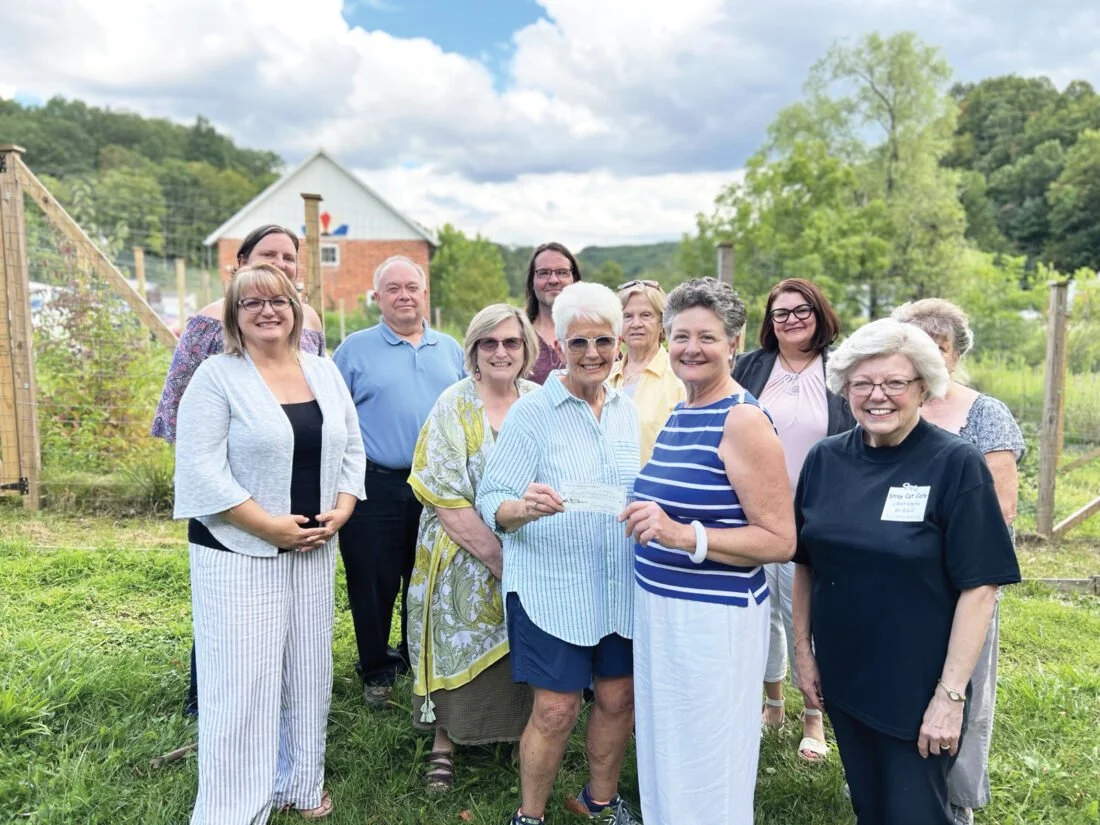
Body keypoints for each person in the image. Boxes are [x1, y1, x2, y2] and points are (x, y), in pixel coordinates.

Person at [792, 319, 1021, 825]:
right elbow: (806, 562)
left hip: (918, 685)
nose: (878, 396)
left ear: (924, 388)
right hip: (846, 675)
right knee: (870, 807)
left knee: (916, 812)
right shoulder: (825, 459)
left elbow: (981, 586)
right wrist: (803, 653)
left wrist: (950, 696)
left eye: (895, 383)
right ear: (845, 388)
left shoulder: (955, 464)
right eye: (862, 383)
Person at [173, 263, 366, 823]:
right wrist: (268, 526)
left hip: (312, 546)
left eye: (278, 300)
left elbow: (352, 447)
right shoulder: (216, 377)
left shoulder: (323, 371)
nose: (267, 311)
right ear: (234, 314)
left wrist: (343, 510)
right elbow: (201, 472)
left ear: (296, 308)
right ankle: (234, 807)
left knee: (308, 671)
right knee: (243, 684)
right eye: (251, 302)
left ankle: (299, 785)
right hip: (239, 550)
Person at [623, 277, 796, 825]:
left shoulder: (741, 419)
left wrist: (683, 536)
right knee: (668, 750)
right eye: (680, 336)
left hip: (712, 622)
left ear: (734, 343)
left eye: (707, 337)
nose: (691, 348)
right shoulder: (682, 410)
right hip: (663, 612)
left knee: (707, 758)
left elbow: (779, 539)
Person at [477, 282, 642, 825]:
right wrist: (523, 508)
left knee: (618, 700)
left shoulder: (624, 410)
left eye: (602, 341)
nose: (592, 353)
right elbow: (491, 498)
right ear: (560, 346)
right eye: (578, 343)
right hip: (553, 585)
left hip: (617, 583)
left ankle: (600, 799)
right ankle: (531, 815)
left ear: (619, 343)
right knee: (556, 708)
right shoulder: (534, 412)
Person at [151, 224, 326, 717]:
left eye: (289, 257)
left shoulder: (308, 321)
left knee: (286, 606)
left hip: (295, 483)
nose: (281, 264)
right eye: (268, 255)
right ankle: (205, 697)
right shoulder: (208, 322)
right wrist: (214, 483)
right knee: (226, 601)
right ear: (240, 262)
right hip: (232, 488)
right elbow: (177, 409)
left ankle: (282, 697)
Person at [892, 298, 1026, 825]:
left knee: (961, 689)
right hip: (895, 581)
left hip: (959, 583)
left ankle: (955, 801)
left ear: (955, 353)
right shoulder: (887, 403)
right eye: (915, 345)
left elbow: (1002, 509)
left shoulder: (984, 413)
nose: (928, 355)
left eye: (938, 347)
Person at [406, 304, 540, 791]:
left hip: (531, 547)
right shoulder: (454, 403)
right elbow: (444, 492)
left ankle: (512, 734)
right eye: (490, 343)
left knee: (522, 642)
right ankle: (446, 741)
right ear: (474, 351)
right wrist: (498, 560)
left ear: (526, 349)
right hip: (460, 546)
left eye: (511, 342)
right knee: (455, 634)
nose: (501, 352)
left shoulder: (542, 401)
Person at [333, 255, 465, 707]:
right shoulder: (353, 350)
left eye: (412, 286)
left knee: (427, 578)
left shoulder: (450, 349)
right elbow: (335, 418)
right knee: (373, 581)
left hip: (439, 487)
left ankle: (418, 658)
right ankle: (376, 669)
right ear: (378, 298)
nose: (404, 295)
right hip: (377, 484)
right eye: (393, 288)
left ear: (425, 293)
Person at [732, 277, 855, 761]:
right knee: (762, 612)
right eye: (780, 313)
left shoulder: (841, 368)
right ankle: (772, 702)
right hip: (754, 511)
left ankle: (814, 715)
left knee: (805, 613)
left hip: (817, 512)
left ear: (820, 313)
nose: (791, 320)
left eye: (801, 310)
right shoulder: (751, 367)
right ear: (769, 322)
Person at [608, 279, 686, 465]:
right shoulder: (603, 377)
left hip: (656, 491)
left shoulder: (680, 377)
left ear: (662, 323)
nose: (636, 323)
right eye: (627, 316)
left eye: (646, 315)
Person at [523, 242, 583, 384]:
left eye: (562, 272)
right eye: (544, 273)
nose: (554, 280)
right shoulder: (517, 334)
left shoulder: (596, 330)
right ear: (532, 281)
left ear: (574, 279)